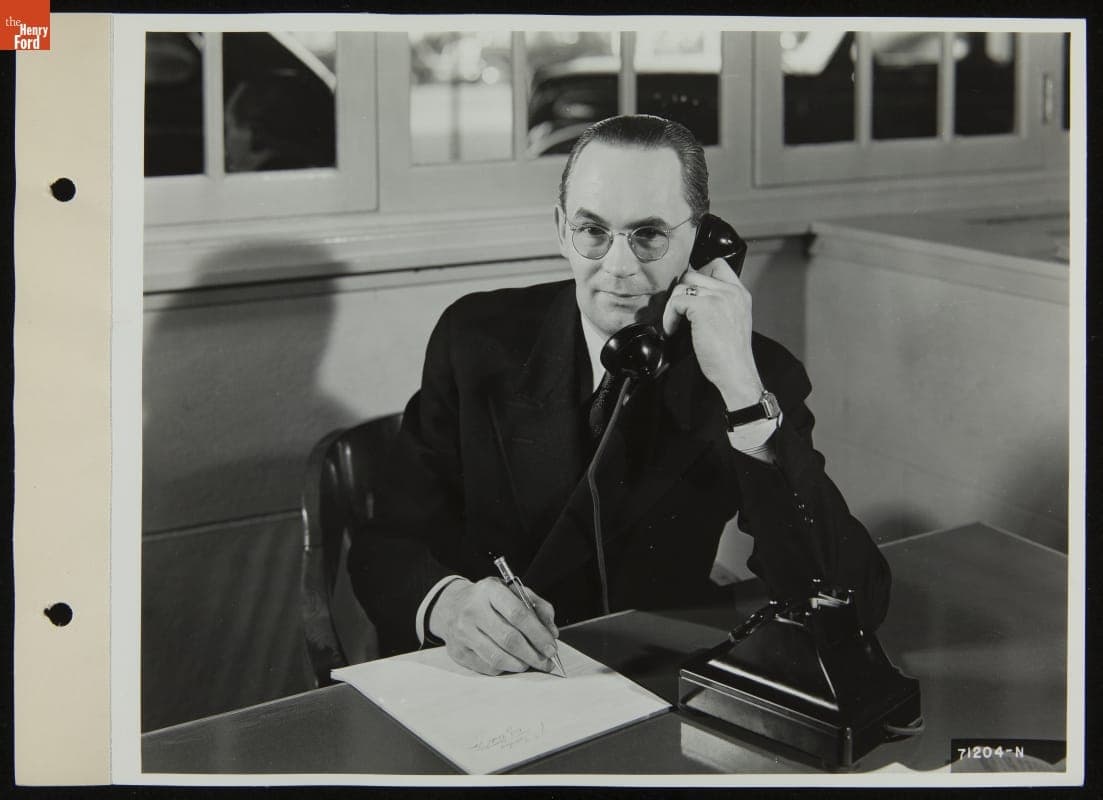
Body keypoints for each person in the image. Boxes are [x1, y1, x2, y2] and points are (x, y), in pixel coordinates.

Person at [349, 114, 890, 675]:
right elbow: (385, 543)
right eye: (593, 232)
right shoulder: (477, 339)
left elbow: (856, 600)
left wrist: (742, 393)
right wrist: (449, 602)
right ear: (562, 230)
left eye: (649, 235)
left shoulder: (754, 373)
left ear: (702, 240)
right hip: (493, 682)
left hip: (649, 678)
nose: (619, 267)